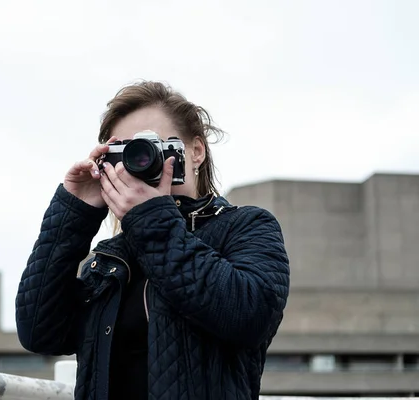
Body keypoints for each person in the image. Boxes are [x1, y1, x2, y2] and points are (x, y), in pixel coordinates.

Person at [16, 81, 290, 400]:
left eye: (153, 145)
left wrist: (150, 218)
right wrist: (74, 213)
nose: (140, 159)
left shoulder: (246, 226)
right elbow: (39, 333)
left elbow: (249, 317)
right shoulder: (110, 257)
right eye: (126, 150)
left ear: (196, 152)